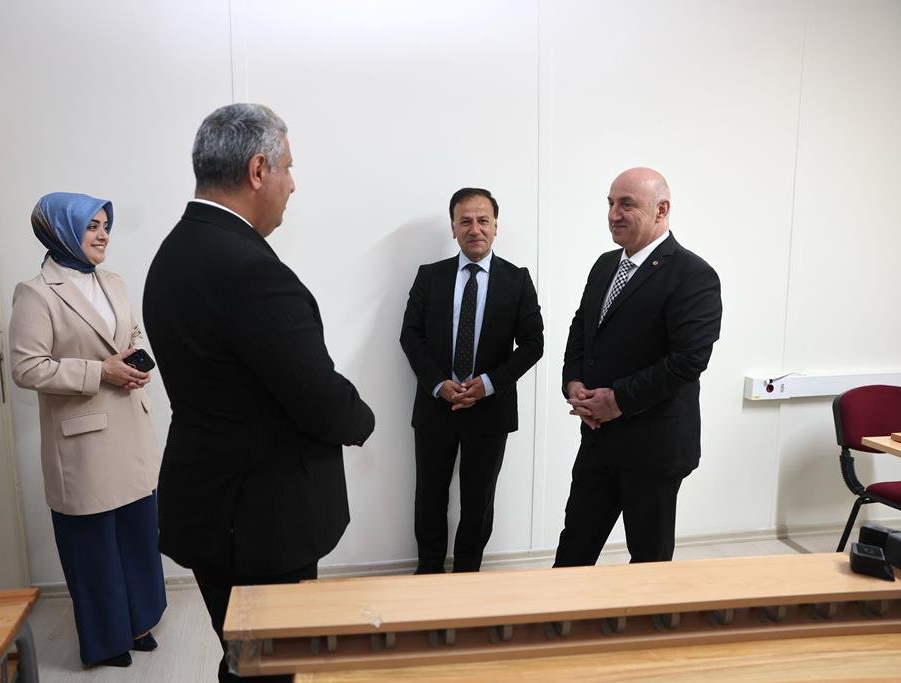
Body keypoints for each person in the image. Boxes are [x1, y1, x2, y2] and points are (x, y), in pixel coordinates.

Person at [142, 103, 375, 682]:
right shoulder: (250, 271)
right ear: (257, 170)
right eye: (288, 168)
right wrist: (362, 419)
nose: (292, 185)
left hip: (210, 502)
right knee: (273, 666)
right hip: (261, 521)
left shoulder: (174, 252)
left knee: (245, 657)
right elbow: (317, 397)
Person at [9, 192, 166, 668]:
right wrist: (100, 372)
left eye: (105, 226)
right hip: (83, 440)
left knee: (138, 533)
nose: (103, 236)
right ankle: (107, 641)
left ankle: (140, 624)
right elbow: (26, 368)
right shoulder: (36, 292)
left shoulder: (113, 281)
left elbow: (130, 334)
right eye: (91, 227)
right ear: (61, 231)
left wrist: (133, 363)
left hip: (130, 427)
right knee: (94, 544)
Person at [552, 167, 722, 567]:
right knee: (573, 553)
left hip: (654, 447)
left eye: (626, 204)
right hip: (598, 439)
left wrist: (617, 401)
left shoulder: (694, 275)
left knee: (648, 563)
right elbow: (581, 330)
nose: (614, 214)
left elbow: (688, 361)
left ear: (661, 210)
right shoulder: (604, 265)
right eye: (610, 203)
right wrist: (573, 382)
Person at [400, 188, 543, 574]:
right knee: (429, 497)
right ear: (453, 228)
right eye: (465, 221)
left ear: (496, 226)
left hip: (490, 409)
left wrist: (489, 384)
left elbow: (533, 344)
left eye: (483, 220)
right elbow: (410, 336)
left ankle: (467, 575)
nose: (474, 229)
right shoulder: (430, 277)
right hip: (436, 406)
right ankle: (429, 572)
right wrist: (438, 384)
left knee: (479, 501)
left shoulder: (517, 280)